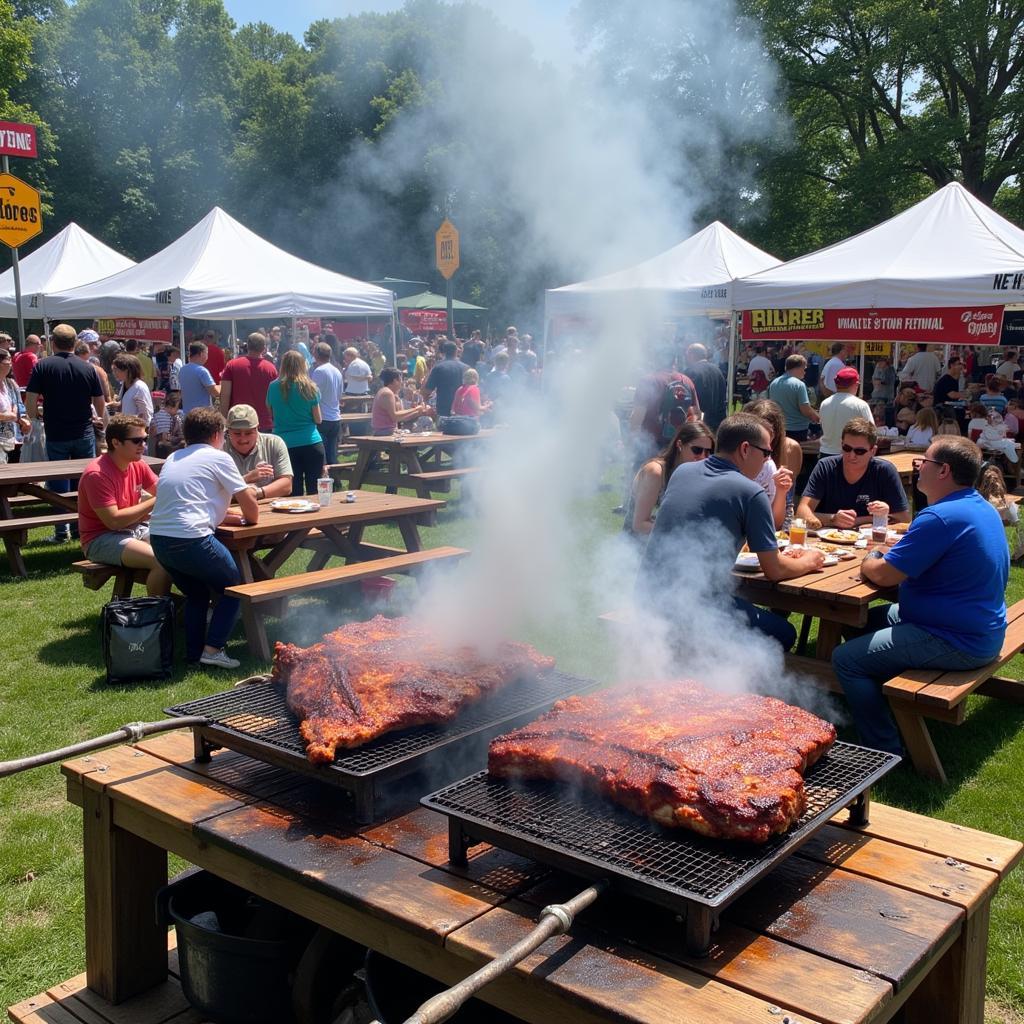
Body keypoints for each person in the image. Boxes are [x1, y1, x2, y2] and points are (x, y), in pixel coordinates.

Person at [832, 437, 1008, 755]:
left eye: (922, 462)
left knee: (846, 660)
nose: (918, 469)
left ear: (943, 471)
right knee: (857, 620)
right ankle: (878, 699)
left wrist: (870, 559)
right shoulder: (978, 507)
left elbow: (884, 574)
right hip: (978, 626)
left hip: (956, 639)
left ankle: (884, 749)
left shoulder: (940, 517)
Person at [638, 413, 825, 649]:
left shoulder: (683, 472)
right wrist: (810, 560)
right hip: (696, 607)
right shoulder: (750, 492)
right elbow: (774, 569)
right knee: (784, 634)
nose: (768, 460)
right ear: (745, 449)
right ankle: (733, 684)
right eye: (766, 453)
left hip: (647, 595)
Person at [149, 407, 259, 668]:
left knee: (197, 594)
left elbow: (193, 501)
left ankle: (193, 654)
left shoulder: (174, 456)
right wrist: (249, 519)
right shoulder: (218, 457)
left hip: (160, 539)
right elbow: (249, 504)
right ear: (218, 434)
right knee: (235, 587)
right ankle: (213, 649)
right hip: (191, 538)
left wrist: (225, 515)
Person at [26, 323, 106, 541]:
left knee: (59, 485)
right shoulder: (88, 368)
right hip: (84, 433)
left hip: (56, 433)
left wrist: (36, 416)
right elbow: (100, 403)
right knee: (84, 484)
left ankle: (62, 532)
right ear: (75, 343)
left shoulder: (43, 366)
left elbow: (31, 401)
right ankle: (84, 529)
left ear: (53, 342)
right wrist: (100, 421)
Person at [77, 414, 171, 596]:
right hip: (100, 539)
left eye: (145, 439)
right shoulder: (97, 474)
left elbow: (164, 491)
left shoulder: (138, 465)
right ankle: (159, 615)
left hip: (135, 529)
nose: (143, 445)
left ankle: (190, 608)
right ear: (116, 442)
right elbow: (114, 522)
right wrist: (154, 503)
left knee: (179, 549)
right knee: (160, 561)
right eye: (137, 441)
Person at [796, 417, 911, 529]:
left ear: (873, 451)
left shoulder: (885, 471)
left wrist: (858, 521)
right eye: (847, 448)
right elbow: (802, 511)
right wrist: (833, 519)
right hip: (827, 540)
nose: (852, 456)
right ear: (841, 445)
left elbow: (904, 519)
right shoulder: (825, 467)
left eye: (859, 451)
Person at [624, 421, 715, 538]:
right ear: (680, 445)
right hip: (634, 546)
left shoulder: (694, 473)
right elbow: (639, 525)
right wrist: (682, 534)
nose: (703, 457)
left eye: (708, 452)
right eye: (697, 450)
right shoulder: (655, 472)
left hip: (666, 545)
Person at [266, 350, 324, 496]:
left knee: (292, 490)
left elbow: (270, 412)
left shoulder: (273, 387)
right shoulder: (310, 387)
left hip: (284, 444)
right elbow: (318, 419)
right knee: (314, 490)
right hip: (311, 441)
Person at [745, 397, 801, 529]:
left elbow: (787, 498)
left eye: (770, 431)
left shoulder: (790, 448)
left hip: (778, 517)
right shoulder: (738, 454)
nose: (764, 436)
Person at [222, 404, 294, 499]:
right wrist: (247, 478)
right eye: (237, 433)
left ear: (257, 429)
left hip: (269, 507)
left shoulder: (274, 443)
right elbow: (212, 490)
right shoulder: (219, 449)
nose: (243, 439)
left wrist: (257, 493)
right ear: (228, 431)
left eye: (248, 433)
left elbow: (286, 485)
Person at [220, 332, 278, 430]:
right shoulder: (271, 369)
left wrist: (223, 421)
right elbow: (275, 398)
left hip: (238, 421)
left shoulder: (232, 365)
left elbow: (225, 394)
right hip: (264, 423)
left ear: (247, 345)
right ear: (264, 348)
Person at [818, 367, 872, 455]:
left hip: (826, 452)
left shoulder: (824, 403)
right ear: (856, 384)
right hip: (850, 454)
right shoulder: (860, 405)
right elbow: (871, 432)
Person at [767, 354, 820, 441]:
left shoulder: (774, 383)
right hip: (797, 429)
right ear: (798, 367)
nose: (805, 372)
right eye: (804, 369)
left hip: (779, 427)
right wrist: (818, 417)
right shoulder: (799, 384)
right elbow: (805, 409)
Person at [311, 342, 345, 464]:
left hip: (323, 417)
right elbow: (340, 395)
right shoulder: (337, 371)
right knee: (332, 453)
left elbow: (312, 394)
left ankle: (326, 480)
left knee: (323, 455)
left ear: (316, 354)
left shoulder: (319, 371)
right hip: (335, 417)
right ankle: (336, 480)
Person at [371, 368, 430, 435]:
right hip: (383, 432)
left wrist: (419, 412)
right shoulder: (387, 393)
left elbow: (402, 418)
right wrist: (415, 409)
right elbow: (395, 417)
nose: (402, 382)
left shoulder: (392, 394)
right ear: (395, 380)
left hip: (389, 431)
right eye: (401, 379)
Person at [685, 343, 727, 431]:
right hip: (718, 423)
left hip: (700, 426)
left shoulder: (690, 372)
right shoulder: (718, 371)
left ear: (691, 355)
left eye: (687, 355)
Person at [422, 340, 468, 417]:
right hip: (462, 409)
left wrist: (426, 403)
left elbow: (427, 391)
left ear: (444, 352)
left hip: (443, 410)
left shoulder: (438, 367)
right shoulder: (466, 368)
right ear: (456, 351)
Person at [0, 348, 31, 464]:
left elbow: (19, 407)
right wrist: (6, 416)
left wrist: (24, 420)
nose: (11, 363)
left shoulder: (11, 384)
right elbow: (11, 414)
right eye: (8, 360)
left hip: (13, 441)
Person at [111, 354, 154, 426]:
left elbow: (145, 415)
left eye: (116, 369)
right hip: (126, 429)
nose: (114, 373)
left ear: (127, 371)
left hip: (136, 431)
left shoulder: (139, 387)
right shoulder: (124, 384)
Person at [179, 342, 219, 412]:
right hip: (202, 415)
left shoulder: (182, 370)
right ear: (201, 353)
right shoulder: (202, 370)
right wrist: (224, 387)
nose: (207, 357)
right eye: (206, 354)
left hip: (187, 414)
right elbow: (214, 392)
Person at [152, 391, 184, 456]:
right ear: (170, 407)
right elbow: (164, 440)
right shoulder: (163, 416)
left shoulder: (174, 416)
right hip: (164, 449)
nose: (178, 410)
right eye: (177, 408)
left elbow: (181, 435)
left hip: (169, 445)